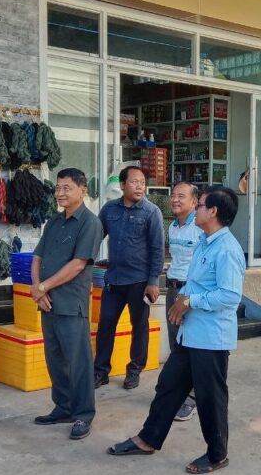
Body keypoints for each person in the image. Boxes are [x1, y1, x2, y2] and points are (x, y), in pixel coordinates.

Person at [107, 186, 245, 474]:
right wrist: (182, 303)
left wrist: (190, 302)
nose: (195, 209)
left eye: (200, 205)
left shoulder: (227, 249)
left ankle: (217, 454)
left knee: (210, 398)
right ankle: (149, 439)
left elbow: (230, 296)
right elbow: (196, 284)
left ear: (213, 212)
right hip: (190, 333)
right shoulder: (205, 241)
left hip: (211, 338)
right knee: (168, 386)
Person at [31, 168, 104, 441]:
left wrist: (43, 287)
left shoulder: (90, 223)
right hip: (47, 303)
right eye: (58, 188)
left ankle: (83, 414)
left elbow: (78, 265)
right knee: (55, 359)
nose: (60, 193)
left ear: (82, 190)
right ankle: (62, 407)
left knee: (78, 363)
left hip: (71, 303)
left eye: (66, 188)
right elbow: (37, 257)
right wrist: (37, 288)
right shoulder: (54, 221)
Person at [94, 166, 164, 391]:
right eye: (134, 182)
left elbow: (157, 249)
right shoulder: (109, 209)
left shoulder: (151, 212)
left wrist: (153, 282)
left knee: (139, 327)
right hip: (113, 280)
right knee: (105, 325)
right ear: (123, 185)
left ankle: (134, 370)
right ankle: (100, 371)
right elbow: (95, 237)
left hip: (139, 282)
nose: (140, 187)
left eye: (143, 183)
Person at [166, 181, 205, 422]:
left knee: (192, 346)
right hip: (172, 288)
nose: (175, 200)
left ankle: (192, 397)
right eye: (173, 195)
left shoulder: (199, 228)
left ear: (194, 201)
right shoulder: (173, 226)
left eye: (181, 196)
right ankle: (179, 392)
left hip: (188, 294)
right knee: (176, 346)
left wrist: (188, 297)